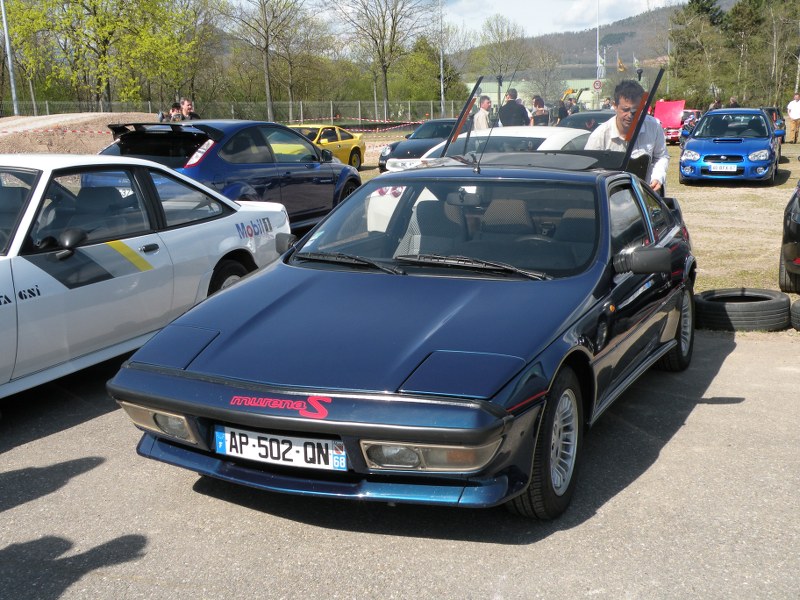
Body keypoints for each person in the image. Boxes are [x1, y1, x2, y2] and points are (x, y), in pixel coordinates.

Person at [585, 79, 669, 196]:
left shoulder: (654, 126)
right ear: (615, 106)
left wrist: (657, 177)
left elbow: (661, 156)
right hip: (611, 198)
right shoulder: (599, 135)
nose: (630, 116)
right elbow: (589, 171)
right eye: (625, 110)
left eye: (635, 111)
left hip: (644, 195)